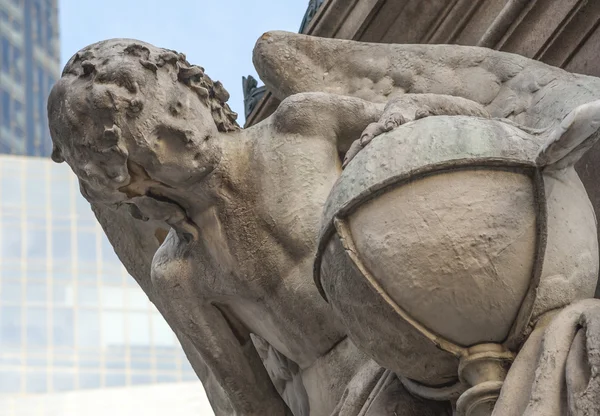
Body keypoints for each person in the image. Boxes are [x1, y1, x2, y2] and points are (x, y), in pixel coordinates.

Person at [48, 38, 484, 415]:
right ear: (127, 179)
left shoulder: (301, 125)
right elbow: (253, 402)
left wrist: (409, 114)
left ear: (195, 86)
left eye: (178, 106)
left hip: (444, 336)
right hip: (348, 402)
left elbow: (466, 117)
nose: (184, 133)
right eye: (155, 140)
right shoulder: (181, 275)